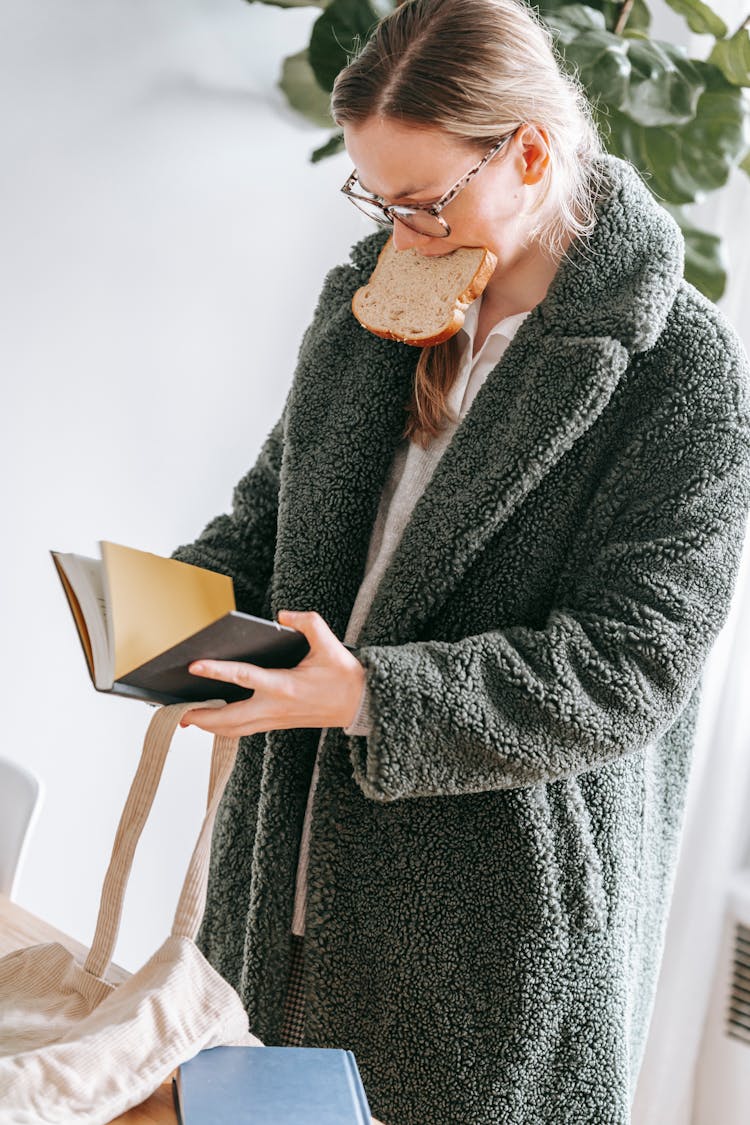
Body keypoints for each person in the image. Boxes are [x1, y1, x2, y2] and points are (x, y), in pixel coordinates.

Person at [170, 0, 750, 1121]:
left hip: (494, 926)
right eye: (376, 198)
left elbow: (627, 670)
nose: (400, 230)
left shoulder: (677, 370)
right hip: (282, 869)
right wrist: (169, 610)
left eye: (426, 201)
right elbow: (270, 523)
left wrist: (373, 697)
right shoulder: (369, 299)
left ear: (528, 152)